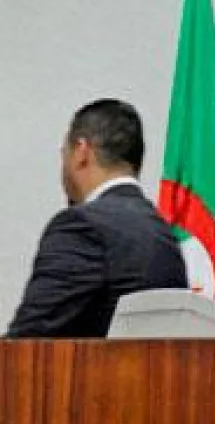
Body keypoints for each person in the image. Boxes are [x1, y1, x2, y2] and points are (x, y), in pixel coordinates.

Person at [7, 99, 187, 337]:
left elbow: (28, 342)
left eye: (65, 154)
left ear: (82, 151)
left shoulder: (80, 228)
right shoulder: (164, 234)